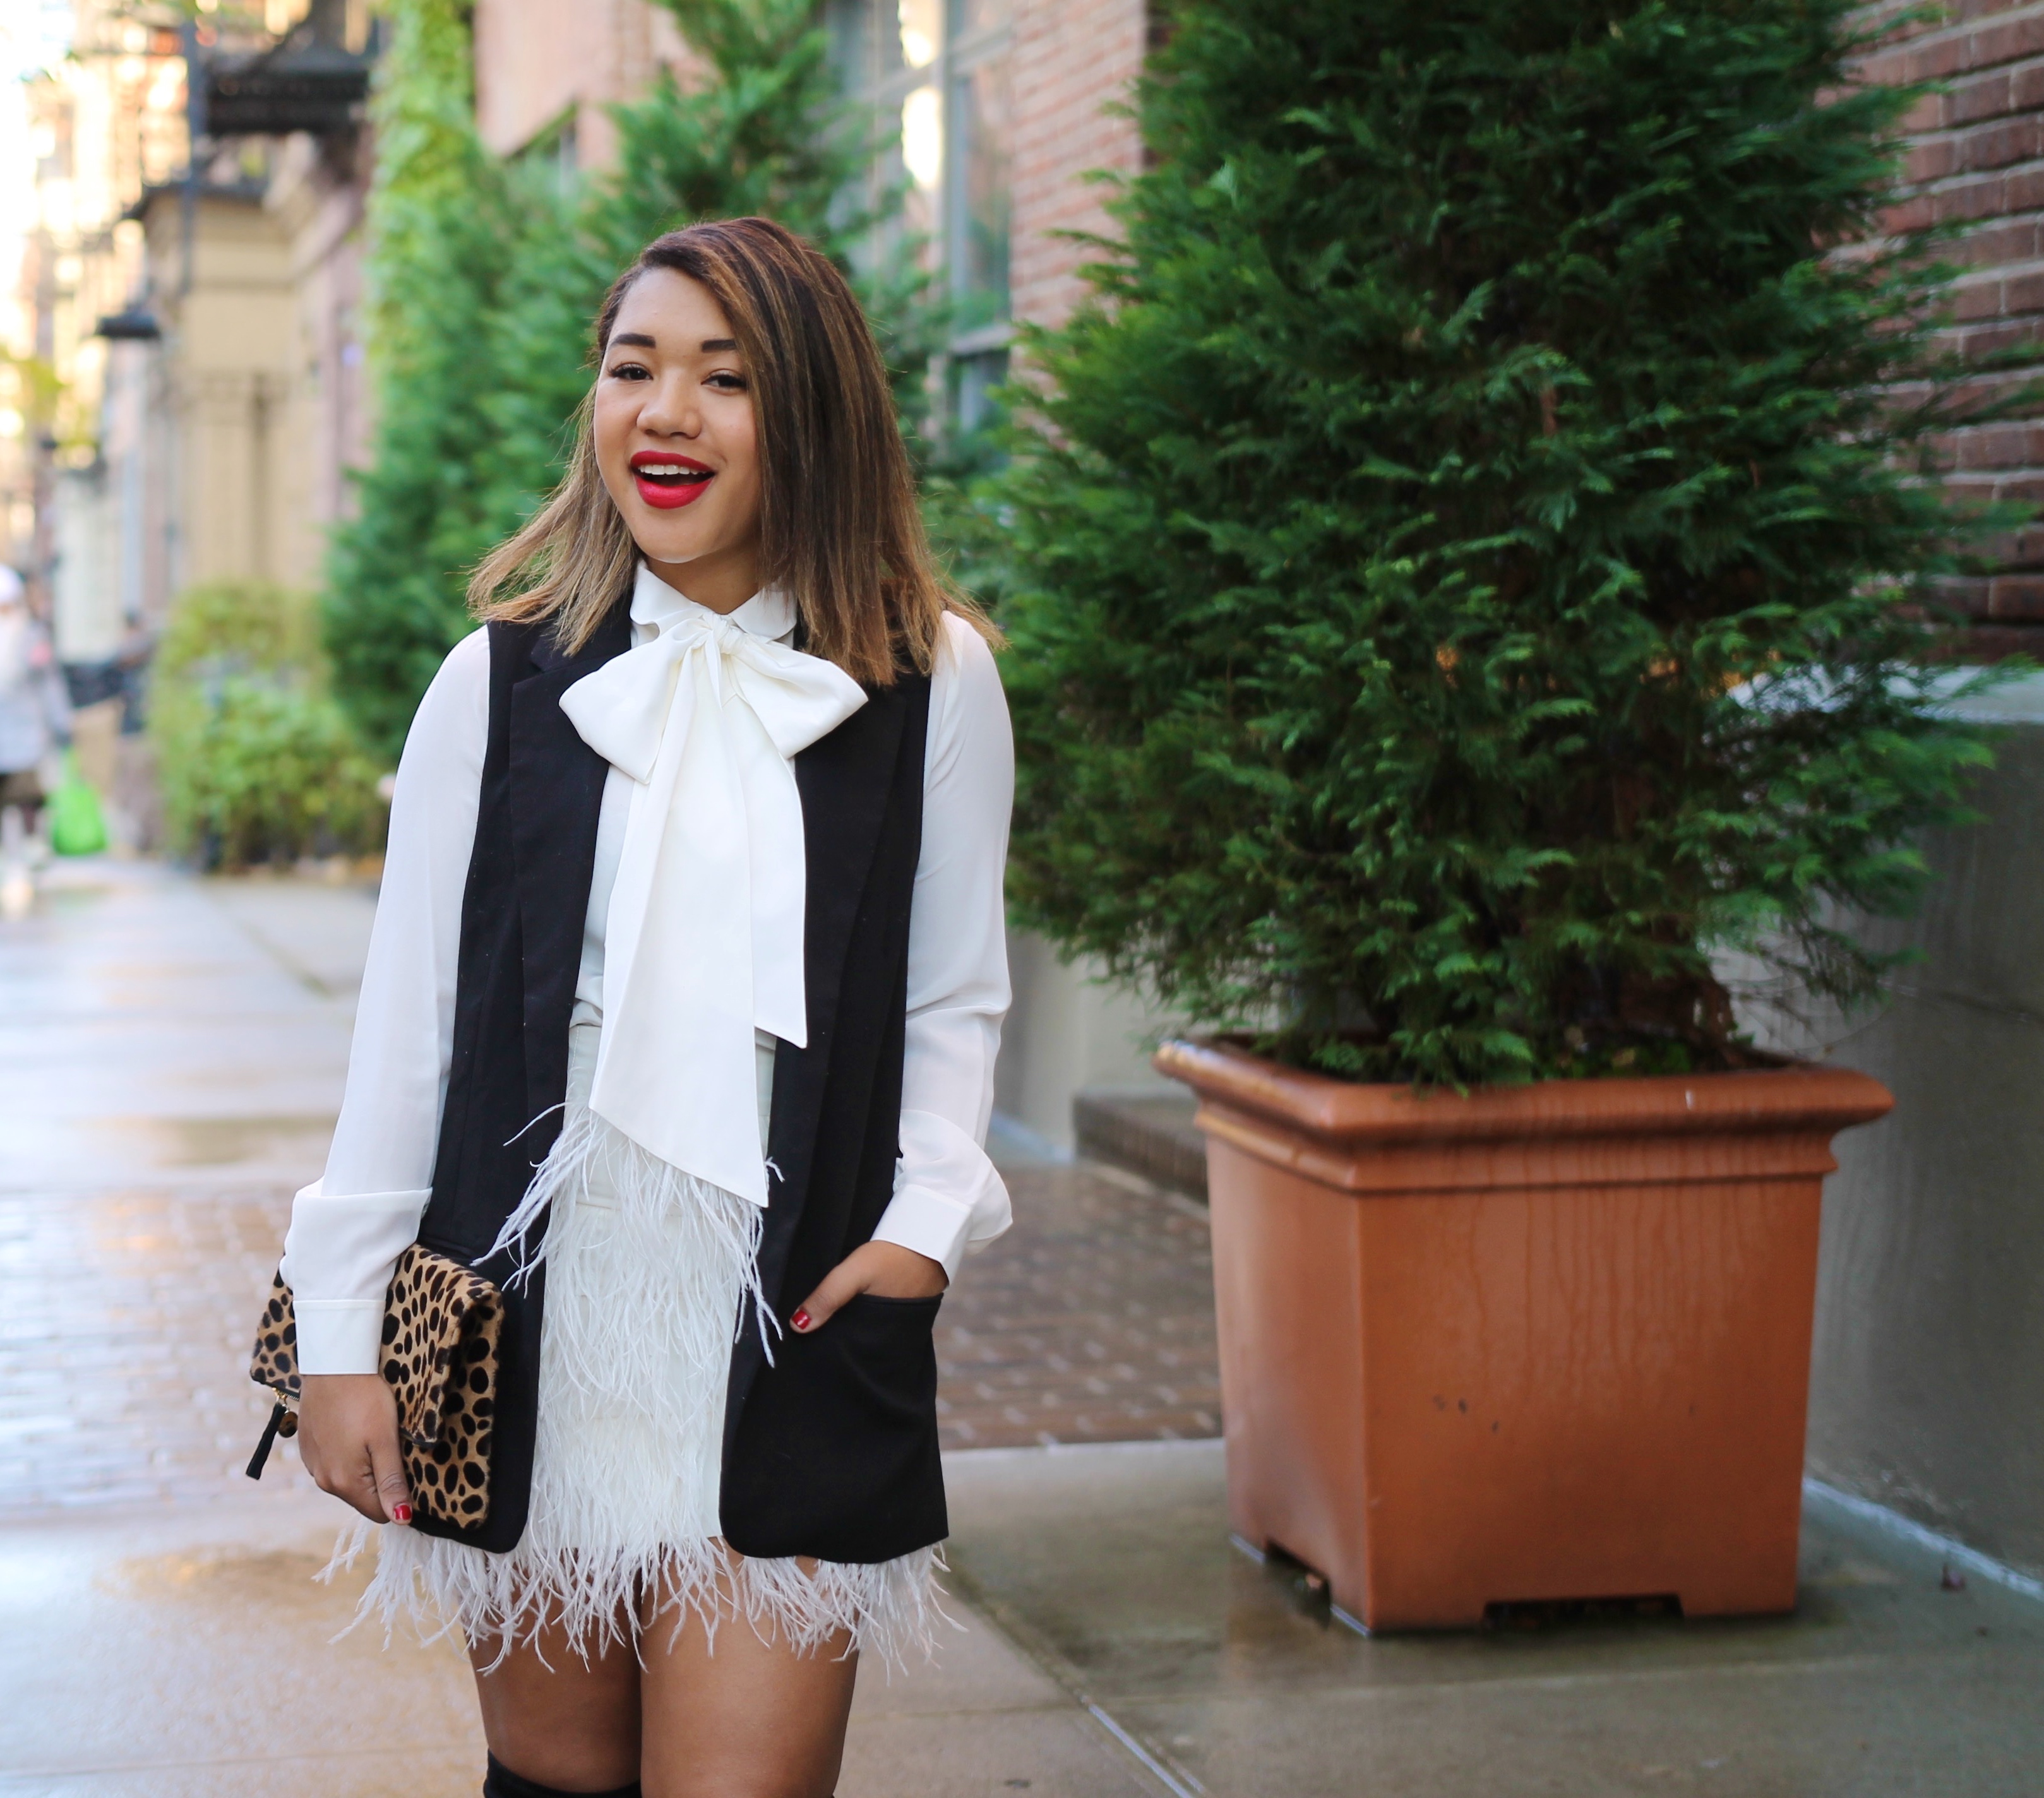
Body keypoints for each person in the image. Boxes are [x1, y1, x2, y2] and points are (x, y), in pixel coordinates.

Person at [283, 218, 1014, 1798]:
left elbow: (955, 995)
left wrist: (928, 1220)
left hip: (791, 1309)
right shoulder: (491, 687)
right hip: (542, 1305)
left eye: (724, 378)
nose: (663, 413)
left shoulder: (929, 677)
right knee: (552, 1780)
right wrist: (340, 1334)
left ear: (811, 413)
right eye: (633, 370)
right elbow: (408, 1031)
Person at [0, 566, 73, 911]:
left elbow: (49, 684)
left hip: (25, 733)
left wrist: (61, 722)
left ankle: (32, 850)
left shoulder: (32, 637)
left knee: (28, 797)